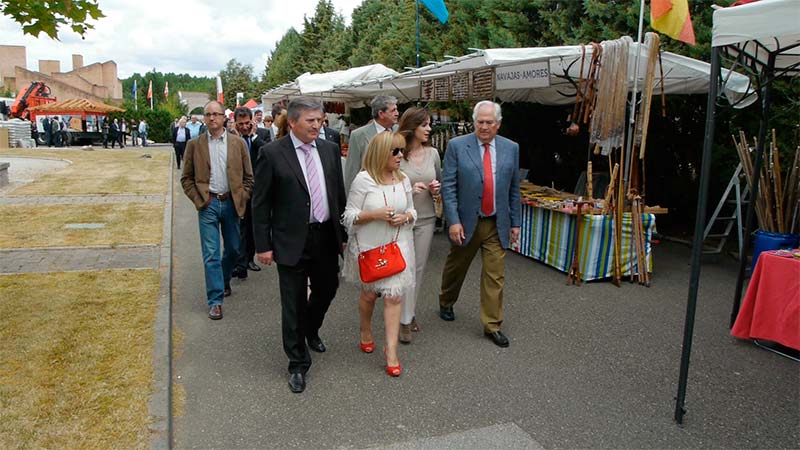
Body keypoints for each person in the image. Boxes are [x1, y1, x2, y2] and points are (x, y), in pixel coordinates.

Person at [251, 97, 347, 393]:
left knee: (328, 288)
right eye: (310, 121)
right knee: (292, 301)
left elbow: (337, 194)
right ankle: (297, 363)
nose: (317, 125)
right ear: (292, 122)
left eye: (319, 120)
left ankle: (310, 329)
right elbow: (260, 203)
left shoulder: (330, 150)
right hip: (290, 239)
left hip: (325, 236)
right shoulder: (272, 153)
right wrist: (262, 245)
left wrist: (342, 235)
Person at [438, 101, 521, 348]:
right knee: (457, 266)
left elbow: (514, 188)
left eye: (489, 122)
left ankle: (492, 324)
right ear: (475, 122)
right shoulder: (457, 146)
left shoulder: (511, 148)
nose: (484, 127)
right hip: (466, 221)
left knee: (495, 275)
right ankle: (446, 300)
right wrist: (453, 221)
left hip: (497, 222)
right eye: (480, 122)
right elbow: (448, 186)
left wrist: (515, 222)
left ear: (498, 124)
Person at [342, 131, 416, 376]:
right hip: (370, 248)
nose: (400, 155)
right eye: (395, 151)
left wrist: (405, 216)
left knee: (394, 297)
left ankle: (391, 351)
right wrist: (374, 215)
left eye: (401, 150)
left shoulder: (403, 179)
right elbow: (349, 217)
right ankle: (365, 329)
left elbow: (413, 213)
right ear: (381, 153)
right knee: (369, 295)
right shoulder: (364, 180)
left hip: (398, 245)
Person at [181, 100, 254, 320]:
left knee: (233, 249)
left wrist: (242, 196)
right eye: (208, 114)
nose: (212, 118)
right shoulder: (195, 145)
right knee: (211, 254)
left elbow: (249, 178)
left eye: (216, 114)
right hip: (208, 203)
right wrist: (198, 200)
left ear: (224, 117)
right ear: (204, 118)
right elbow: (186, 179)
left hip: (231, 203)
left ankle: (222, 280)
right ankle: (215, 300)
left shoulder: (237, 144)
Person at [397, 107, 441, 343]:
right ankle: (401, 313)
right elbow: (387, 186)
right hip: (402, 220)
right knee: (403, 269)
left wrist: (435, 189)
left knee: (418, 269)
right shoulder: (396, 153)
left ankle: (407, 317)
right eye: (424, 124)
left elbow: (440, 181)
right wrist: (408, 191)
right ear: (412, 127)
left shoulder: (433, 153)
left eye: (429, 124)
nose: (429, 129)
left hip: (426, 218)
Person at [230, 106, 270, 280]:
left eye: (247, 123)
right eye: (241, 124)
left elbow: (268, 153)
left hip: (257, 188)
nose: (244, 127)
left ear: (252, 121)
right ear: (235, 123)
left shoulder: (262, 135)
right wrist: (235, 138)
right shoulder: (230, 137)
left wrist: (253, 137)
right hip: (237, 188)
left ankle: (249, 259)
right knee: (239, 227)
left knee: (253, 226)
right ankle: (240, 262)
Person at [343, 95, 399, 193]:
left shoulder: (399, 131)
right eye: (393, 110)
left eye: (396, 110)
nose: (397, 113)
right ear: (381, 114)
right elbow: (352, 170)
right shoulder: (358, 135)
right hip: (370, 192)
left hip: (395, 190)